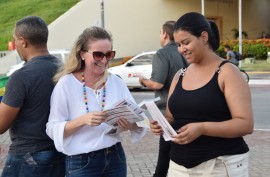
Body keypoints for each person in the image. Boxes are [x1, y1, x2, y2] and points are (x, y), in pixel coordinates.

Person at [150, 12, 253, 177]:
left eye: (186, 42)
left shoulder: (227, 72)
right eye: (178, 45)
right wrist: (161, 125)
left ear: (204, 37)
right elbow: (171, 117)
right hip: (179, 166)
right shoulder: (180, 75)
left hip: (220, 165)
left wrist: (202, 128)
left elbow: (245, 125)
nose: (182, 49)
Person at [46, 26, 147, 177]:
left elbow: (139, 120)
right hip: (82, 162)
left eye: (109, 54)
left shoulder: (116, 82)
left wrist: (130, 125)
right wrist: (82, 120)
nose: (104, 60)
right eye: (98, 55)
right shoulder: (66, 84)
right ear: (82, 54)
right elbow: (52, 128)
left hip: (115, 157)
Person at [0, 16, 65, 177]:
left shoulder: (22, 76)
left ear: (23, 41)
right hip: (60, 154)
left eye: (15, 41)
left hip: (27, 157)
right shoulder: (65, 70)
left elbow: (1, 125)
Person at [139, 20, 188, 177]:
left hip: (167, 113)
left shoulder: (162, 53)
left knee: (163, 162)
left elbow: (157, 84)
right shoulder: (186, 52)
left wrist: (143, 81)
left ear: (165, 34)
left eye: (160, 33)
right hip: (188, 111)